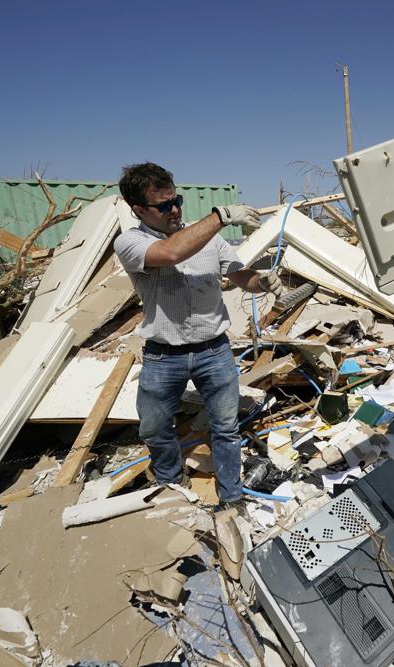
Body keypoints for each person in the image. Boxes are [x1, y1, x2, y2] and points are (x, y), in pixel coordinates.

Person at [113, 162, 280, 510]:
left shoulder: (211, 241)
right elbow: (173, 253)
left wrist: (263, 280)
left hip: (214, 352)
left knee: (226, 429)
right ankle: (175, 485)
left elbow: (241, 277)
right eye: (163, 206)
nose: (174, 210)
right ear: (139, 210)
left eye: (177, 201)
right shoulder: (130, 242)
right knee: (155, 429)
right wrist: (221, 214)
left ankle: (232, 498)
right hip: (163, 356)